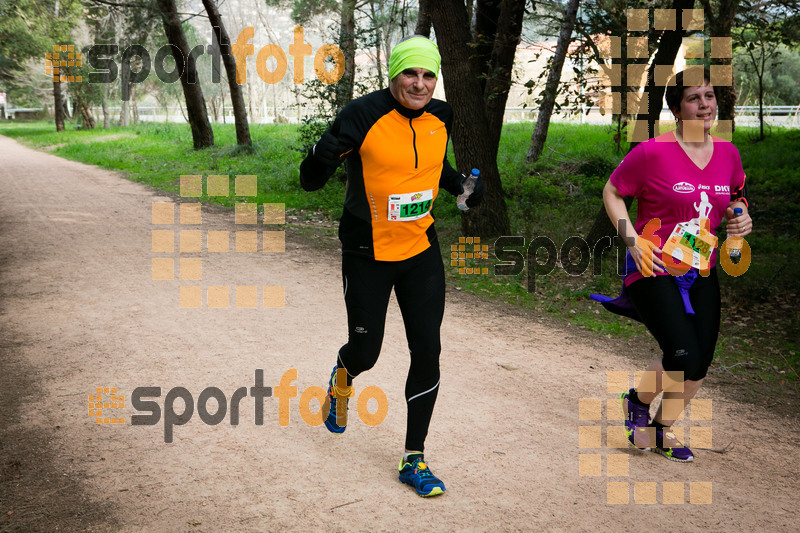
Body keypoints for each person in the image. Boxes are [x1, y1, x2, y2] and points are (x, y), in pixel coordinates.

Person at [298, 35, 484, 496]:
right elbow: (308, 181)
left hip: (420, 248)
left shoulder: (441, 114)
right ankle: (344, 374)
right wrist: (322, 158)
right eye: (410, 73)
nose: (419, 84)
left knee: (428, 350)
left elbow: (434, 166)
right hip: (368, 252)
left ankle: (414, 458)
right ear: (394, 75)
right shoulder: (362, 115)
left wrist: (459, 185)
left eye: (427, 75)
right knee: (367, 353)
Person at [593, 68, 751, 462]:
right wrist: (632, 238)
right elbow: (612, 192)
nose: (705, 105)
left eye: (710, 97)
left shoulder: (728, 154)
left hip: (701, 267)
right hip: (653, 264)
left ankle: (662, 429)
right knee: (682, 355)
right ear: (677, 107)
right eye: (695, 98)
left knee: (700, 364)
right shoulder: (652, 153)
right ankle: (637, 402)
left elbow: (736, 195)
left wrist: (740, 215)